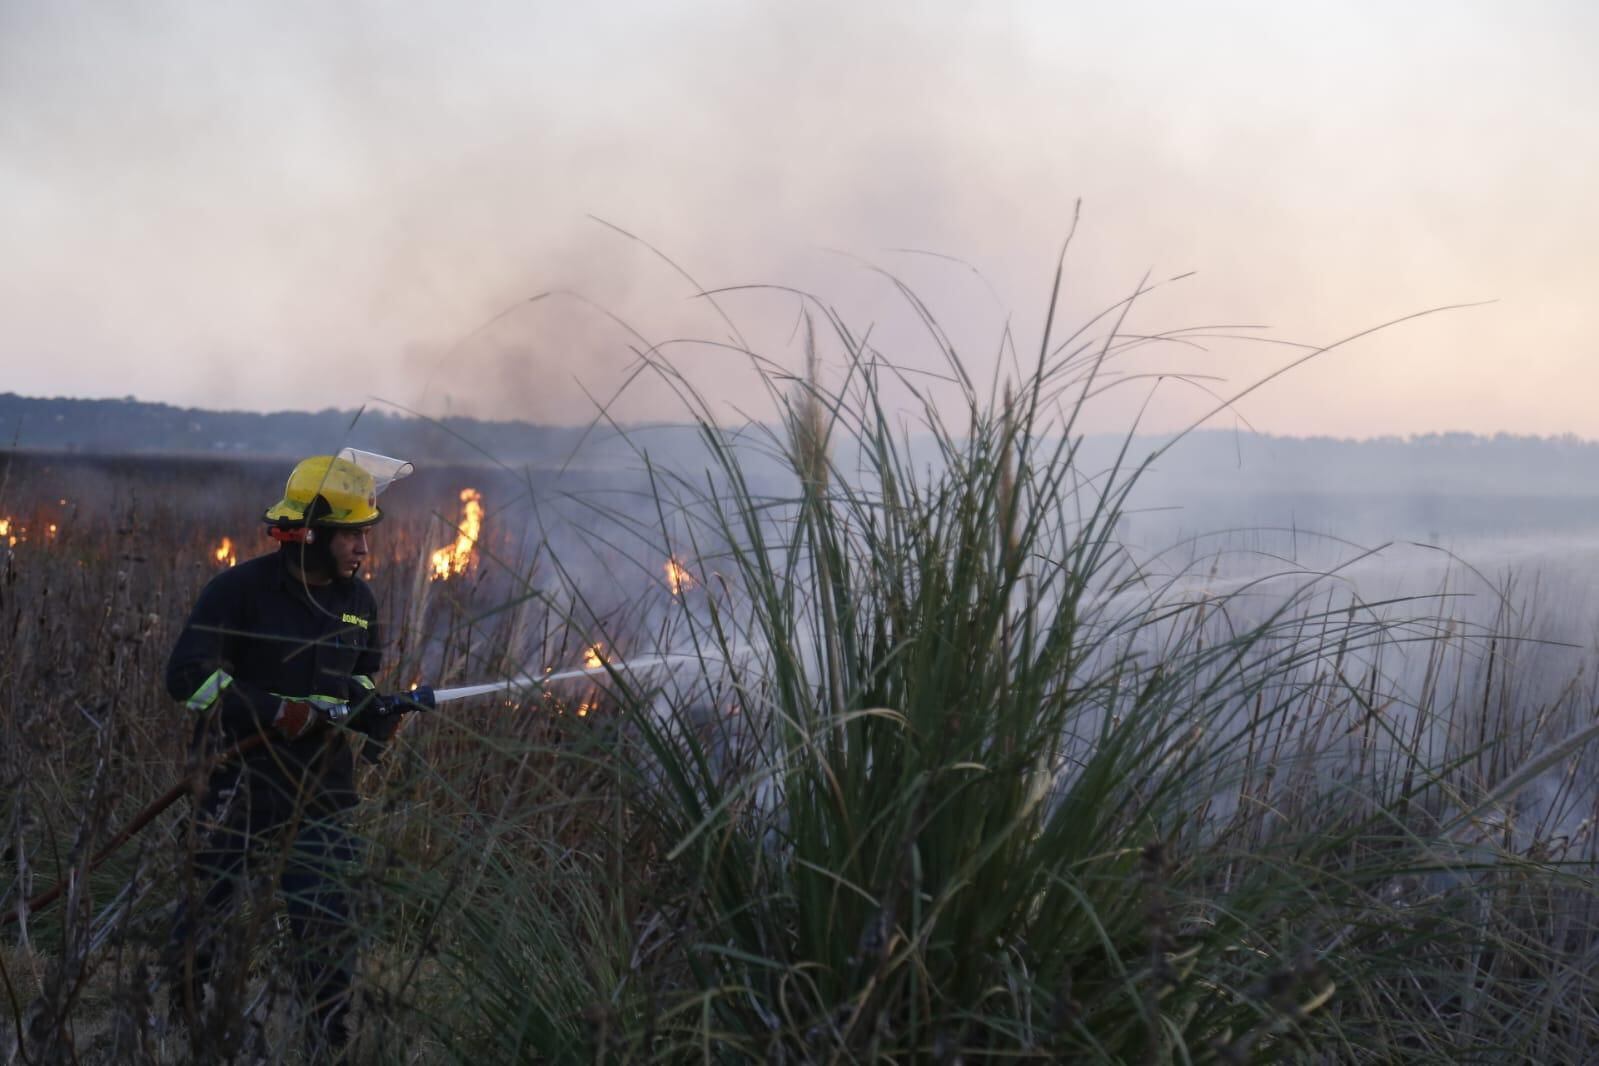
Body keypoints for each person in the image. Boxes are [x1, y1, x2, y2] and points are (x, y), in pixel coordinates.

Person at [162, 452, 433, 1057]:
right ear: (310, 534)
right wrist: (270, 712)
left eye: (367, 533)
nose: (364, 547)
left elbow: (358, 681)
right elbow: (187, 676)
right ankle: (181, 1024)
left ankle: (326, 1041)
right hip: (239, 778)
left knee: (329, 919)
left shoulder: (359, 600)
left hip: (322, 789)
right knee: (209, 907)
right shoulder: (238, 591)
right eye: (353, 534)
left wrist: (375, 715)